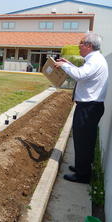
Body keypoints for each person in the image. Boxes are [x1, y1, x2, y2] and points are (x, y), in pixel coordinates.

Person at [54, 32, 108, 184]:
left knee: (83, 141)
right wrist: (69, 64)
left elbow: (80, 75)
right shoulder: (94, 59)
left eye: (81, 43)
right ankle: (81, 168)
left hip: (88, 108)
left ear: (89, 46)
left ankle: (82, 175)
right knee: (84, 140)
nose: (79, 45)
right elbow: (85, 74)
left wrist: (64, 65)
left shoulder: (95, 60)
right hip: (90, 107)